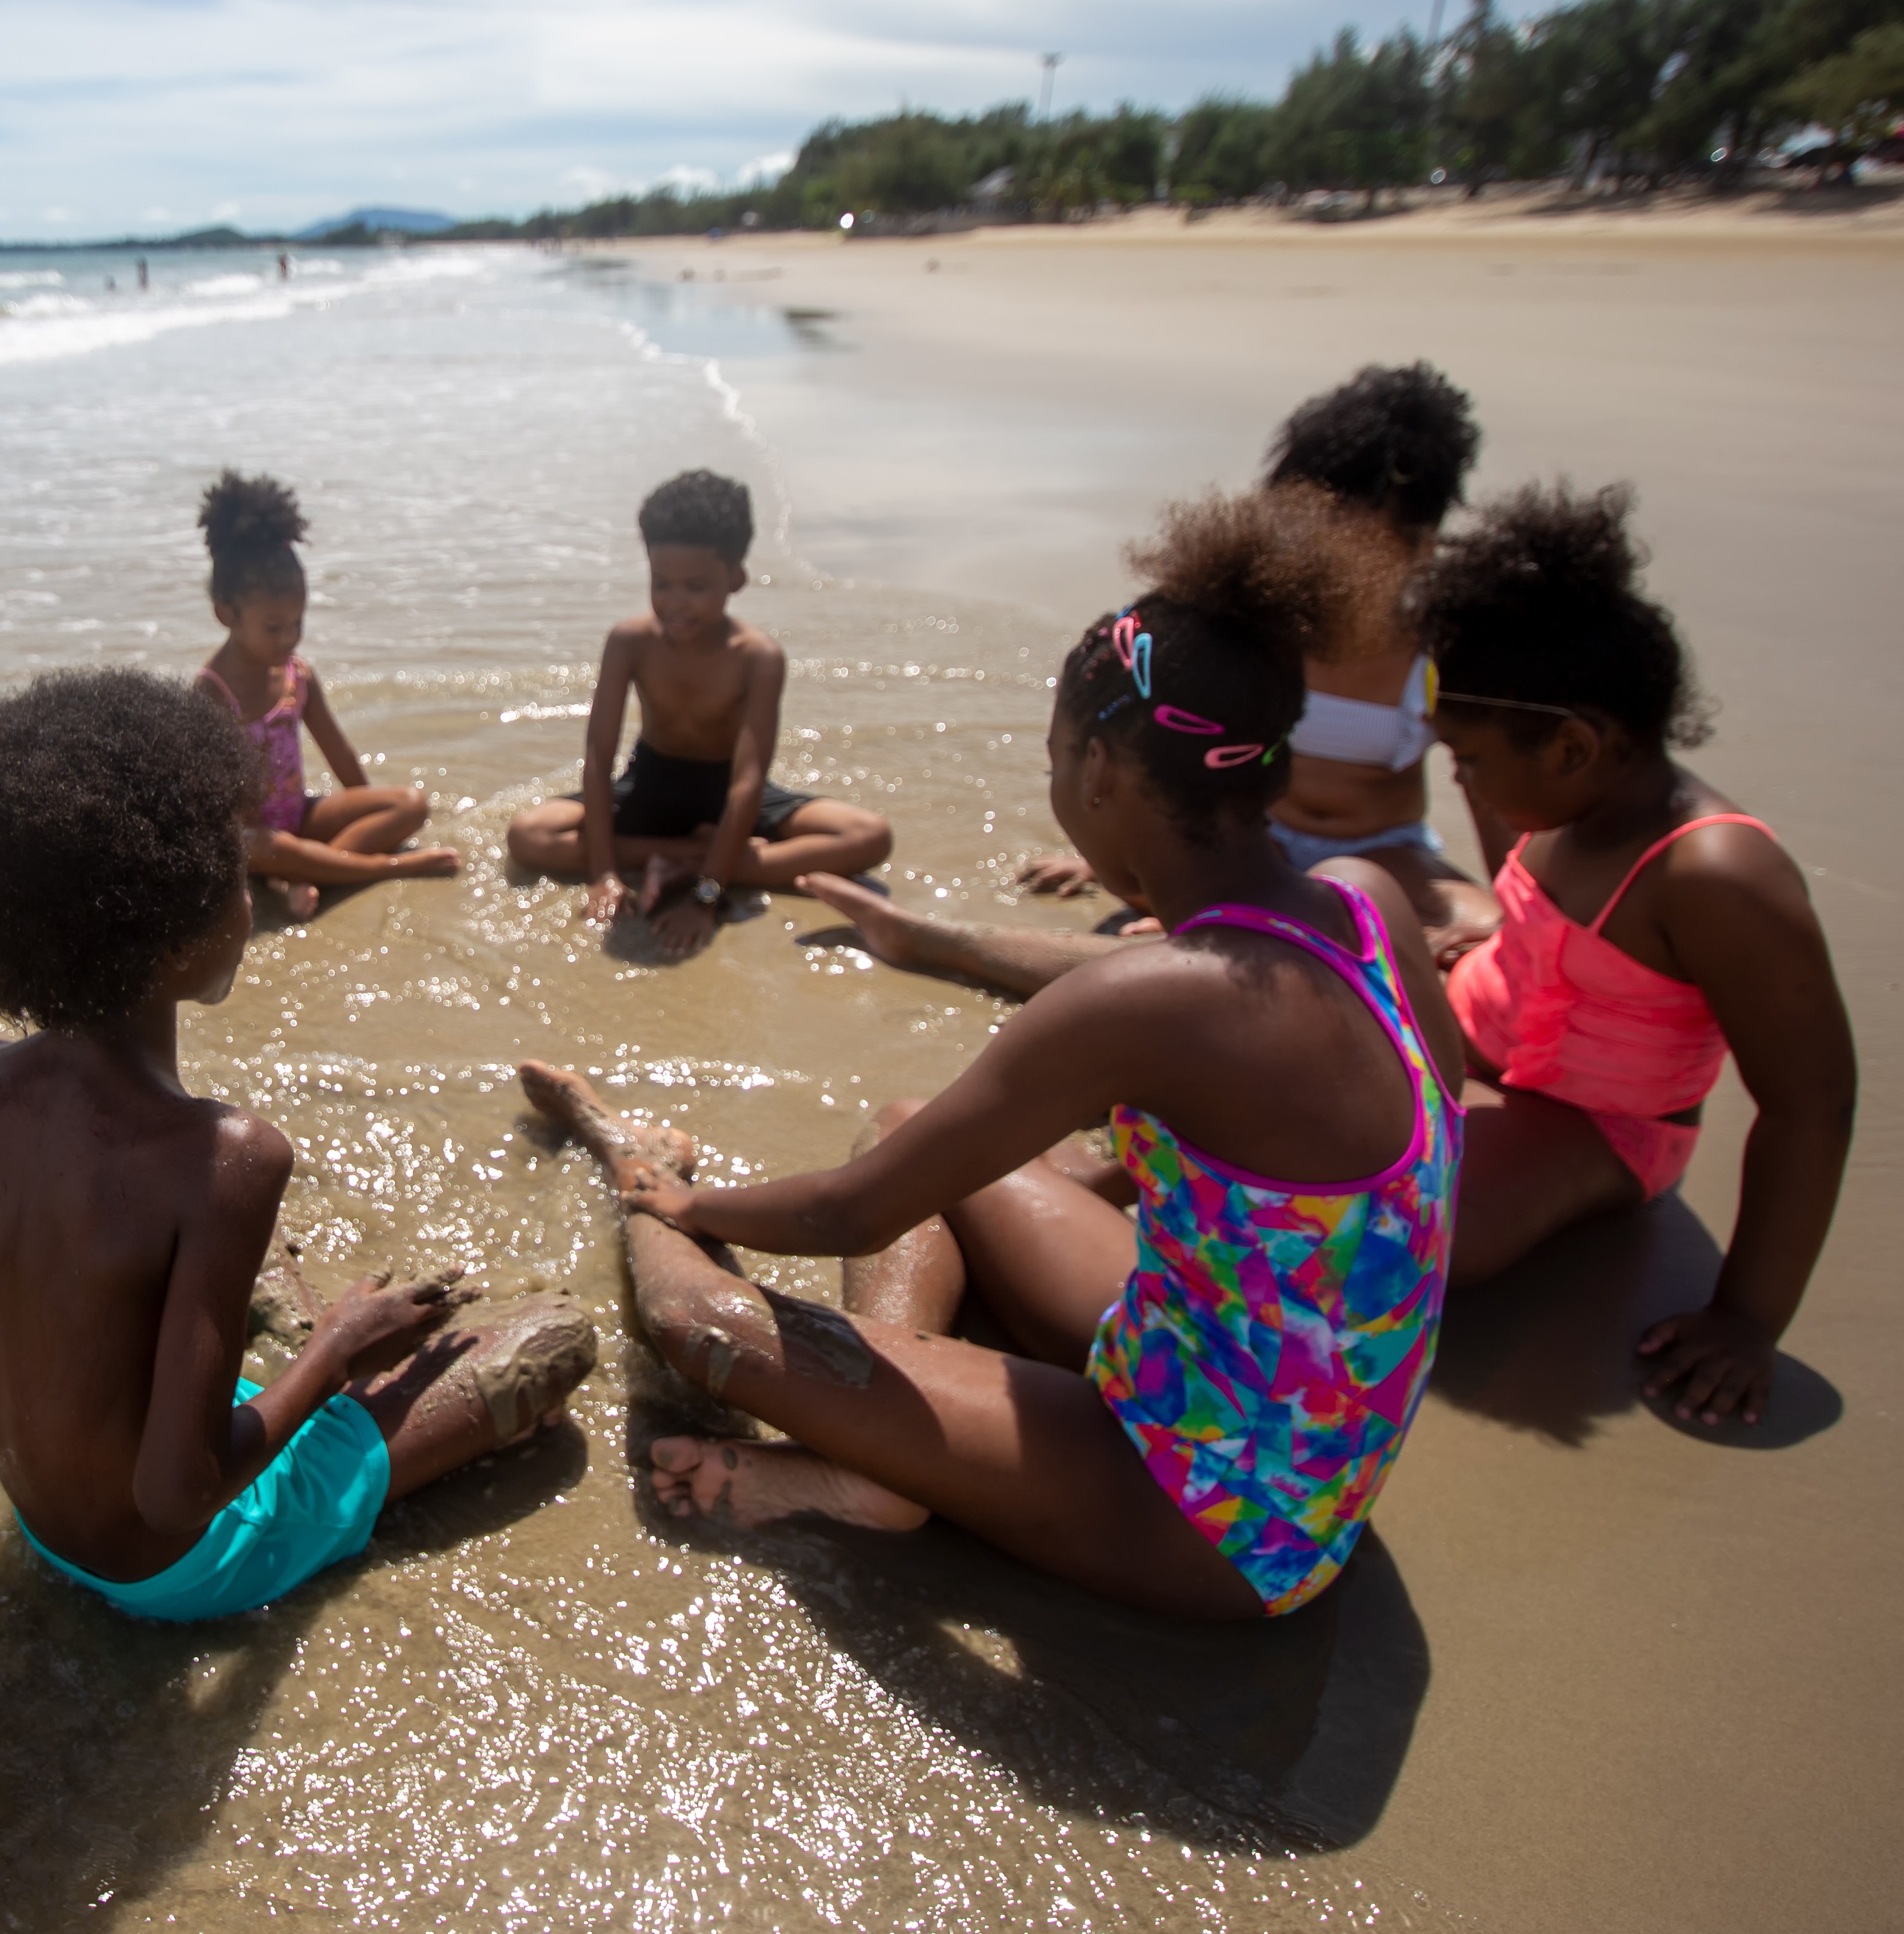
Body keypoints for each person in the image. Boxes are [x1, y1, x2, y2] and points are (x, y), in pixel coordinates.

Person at [523, 486, 1459, 1620]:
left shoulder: (1145, 997)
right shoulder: (1368, 904)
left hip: (1223, 1524)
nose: (1060, 783)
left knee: (700, 1324)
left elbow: (845, 1220)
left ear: (1104, 773)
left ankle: (631, 1165)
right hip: (1283, 1412)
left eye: (1059, 756)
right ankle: (894, 1452)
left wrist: (693, 1204)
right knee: (915, 1122)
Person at [0, 669, 595, 1620]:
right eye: (234, 869)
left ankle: (304, 1348)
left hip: (42, 1528)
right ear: (179, 931)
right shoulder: (226, 1157)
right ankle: (336, 1373)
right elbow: (177, 1492)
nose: (248, 888)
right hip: (180, 1567)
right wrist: (339, 1353)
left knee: (213, 1326)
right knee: (553, 1338)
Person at [811, 365, 1495, 989]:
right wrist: (1118, 843)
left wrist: (1513, 930)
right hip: (1253, 839)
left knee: (1484, 942)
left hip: (1386, 853)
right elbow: (1150, 741)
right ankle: (942, 940)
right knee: (1244, 958)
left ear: (1422, 538)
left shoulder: (1441, 648)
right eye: (1325, 526)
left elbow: (1498, 792)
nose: (1344, 557)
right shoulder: (1257, 626)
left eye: (1374, 538)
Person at [1425, 485, 1854, 1426]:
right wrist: (1505, 934)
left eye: (1468, 759)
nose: (1458, 777)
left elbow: (1809, 1106)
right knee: (1252, 974)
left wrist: (1747, 1316)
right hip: (1484, 1018)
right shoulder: (1560, 792)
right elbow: (1542, 902)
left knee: (1416, 1244)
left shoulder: (1717, 875)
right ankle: (1026, 960)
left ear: (1574, 746)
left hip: (1594, 1120)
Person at [502, 470, 893, 954]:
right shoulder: (630, 642)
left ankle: (698, 865)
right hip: (652, 781)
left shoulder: (757, 657)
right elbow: (599, 756)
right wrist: (602, 873)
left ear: (736, 579)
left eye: (696, 587)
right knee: (529, 835)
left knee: (870, 836)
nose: (675, 603)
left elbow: (748, 783)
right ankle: (699, 857)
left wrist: (707, 897)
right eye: (661, 583)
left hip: (729, 790)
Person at [189, 469, 459, 919]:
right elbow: (208, 800)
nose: (289, 638)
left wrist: (371, 815)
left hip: (300, 818)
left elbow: (340, 754)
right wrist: (389, 849)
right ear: (226, 615)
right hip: (253, 842)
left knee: (410, 804)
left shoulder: (299, 676)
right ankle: (387, 868)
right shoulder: (212, 693)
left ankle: (307, 875)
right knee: (254, 843)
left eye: (298, 622)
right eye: (273, 627)